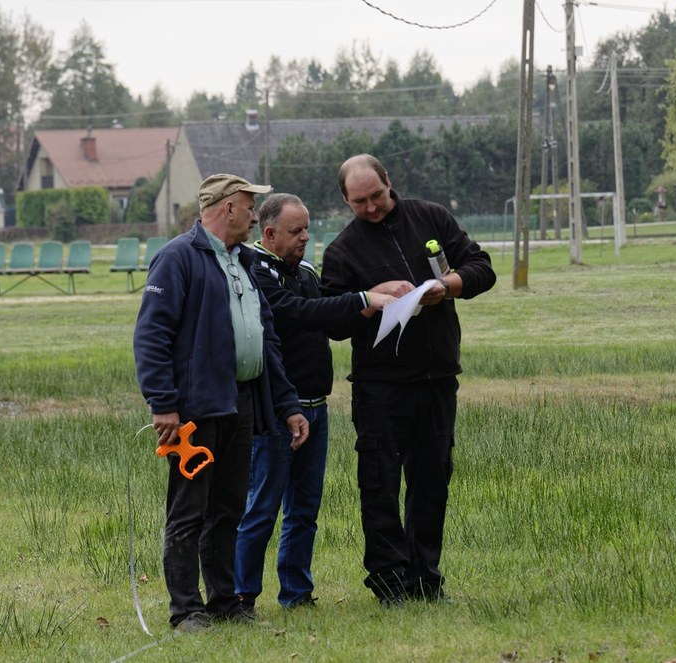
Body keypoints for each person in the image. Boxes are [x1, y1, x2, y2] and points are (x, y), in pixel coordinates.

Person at [133, 173, 309, 633]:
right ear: (229, 207)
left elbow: (266, 339)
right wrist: (163, 404)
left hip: (241, 401)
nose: (255, 216)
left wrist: (287, 403)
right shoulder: (176, 258)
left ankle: (224, 602)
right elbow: (151, 336)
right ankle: (186, 610)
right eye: (251, 206)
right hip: (193, 409)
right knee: (189, 510)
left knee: (229, 507)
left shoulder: (245, 261)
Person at [320, 154, 497, 606]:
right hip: (380, 387)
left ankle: (426, 580)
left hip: (438, 378)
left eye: (376, 196)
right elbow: (334, 322)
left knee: (432, 480)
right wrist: (372, 300)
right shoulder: (342, 250)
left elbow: (482, 267)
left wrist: (448, 286)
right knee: (379, 484)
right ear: (346, 200)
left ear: (389, 183)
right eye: (359, 202)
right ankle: (388, 583)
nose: (372, 208)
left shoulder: (431, 217)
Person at [234, 193, 395, 615]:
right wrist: (363, 298)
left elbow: (328, 318)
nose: (306, 237)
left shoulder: (305, 271)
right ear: (268, 234)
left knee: (304, 510)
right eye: (296, 231)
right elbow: (295, 312)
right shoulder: (254, 271)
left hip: (317, 407)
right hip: (275, 412)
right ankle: (241, 594)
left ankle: (297, 593)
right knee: (262, 509)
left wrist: (380, 303)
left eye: (307, 228)